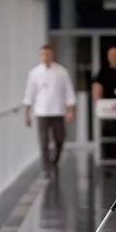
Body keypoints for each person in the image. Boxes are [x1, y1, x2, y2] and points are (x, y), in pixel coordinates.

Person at [23, 44, 77, 178]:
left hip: (58, 111)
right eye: (43, 54)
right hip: (41, 112)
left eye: (48, 54)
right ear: (40, 56)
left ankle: (54, 162)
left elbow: (69, 91)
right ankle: (46, 169)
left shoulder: (62, 72)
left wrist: (70, 110)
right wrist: (27, 114)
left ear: (52, 55)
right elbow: (29, 94)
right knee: (43, 142)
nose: (45, 57)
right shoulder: (34, 73)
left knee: (60, 139)